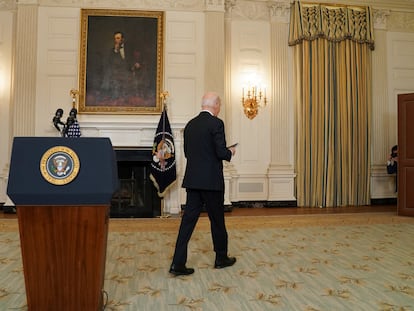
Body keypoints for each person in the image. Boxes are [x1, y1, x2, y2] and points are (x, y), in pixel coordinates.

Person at [169, 92, 237, 276]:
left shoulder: (190, 125)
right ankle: (221, 258)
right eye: (219, 105)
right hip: (212, 182)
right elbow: (220, 152)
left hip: (193, 180)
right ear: (215, 105)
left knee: (187, 223)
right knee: (217, 221)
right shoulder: (216, 123)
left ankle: (177, 263)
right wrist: (230, 152)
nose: (219, 109)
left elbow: (187, 154)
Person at [101, 31, 144, 100]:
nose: (116, 40)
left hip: (129, 68)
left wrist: (136, 62)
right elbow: (110, 62)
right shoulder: (113, 50)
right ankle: (115, 95)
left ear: (122, 39)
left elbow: (134, 57)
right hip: (118, 70)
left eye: (118, 38)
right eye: (115, 38)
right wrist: (116, 50)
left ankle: (129, 95)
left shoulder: (129, 47)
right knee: (112, 75)